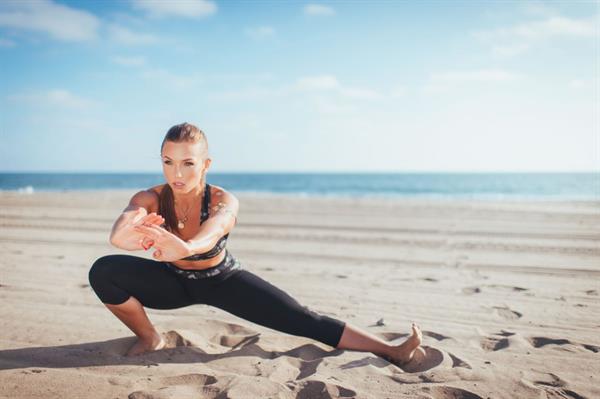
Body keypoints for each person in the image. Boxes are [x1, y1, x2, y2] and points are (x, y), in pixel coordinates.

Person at [88, 122, 425, 367]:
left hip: (222, 280)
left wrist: (186, 248)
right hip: (173, 283)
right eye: (168, 161)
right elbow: (119, 232)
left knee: (304, 319)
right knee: (104, 270)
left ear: (205, 164)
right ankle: (150, 337)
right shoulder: (150, 197)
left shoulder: (222, 199)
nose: (176, 173)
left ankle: (390, 349)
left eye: (188, 163)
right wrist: (129, 234)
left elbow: (213, 231)